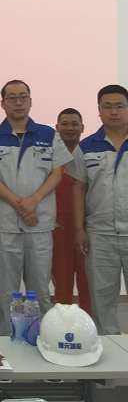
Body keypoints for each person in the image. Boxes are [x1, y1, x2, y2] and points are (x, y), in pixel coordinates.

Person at [0, 80, 72, 335]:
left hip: (39, 224)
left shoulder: (49, 136)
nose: (18, 102)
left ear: (30, 101)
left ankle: (43, 341)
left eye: (23, 97)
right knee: (4, 292)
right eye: (12, 98)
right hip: (4, 226)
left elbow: (57, 173)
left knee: (39, 290)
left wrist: (33, 200)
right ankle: (4, 345)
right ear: (3, 103)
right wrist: (21, 205)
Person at [67, 85, 128, 335]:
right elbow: (79, 189)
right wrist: (79, 229)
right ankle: (108, 350)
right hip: (99, 235)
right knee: (102, 302)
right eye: (107, 107)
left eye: (119, 106)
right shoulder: (86, 147)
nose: (113, 112)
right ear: (99, 111)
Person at [52, 108, 91, 314]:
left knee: (89, 283)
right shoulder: (50, 158)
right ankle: (62, 326)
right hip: (58, 228)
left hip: (87, 227)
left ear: (82, 128)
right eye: (65, 124)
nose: (70, 128)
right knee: (62, 285)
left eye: (74, 124)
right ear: (57, 128)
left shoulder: (90, 155)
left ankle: (91, 326)